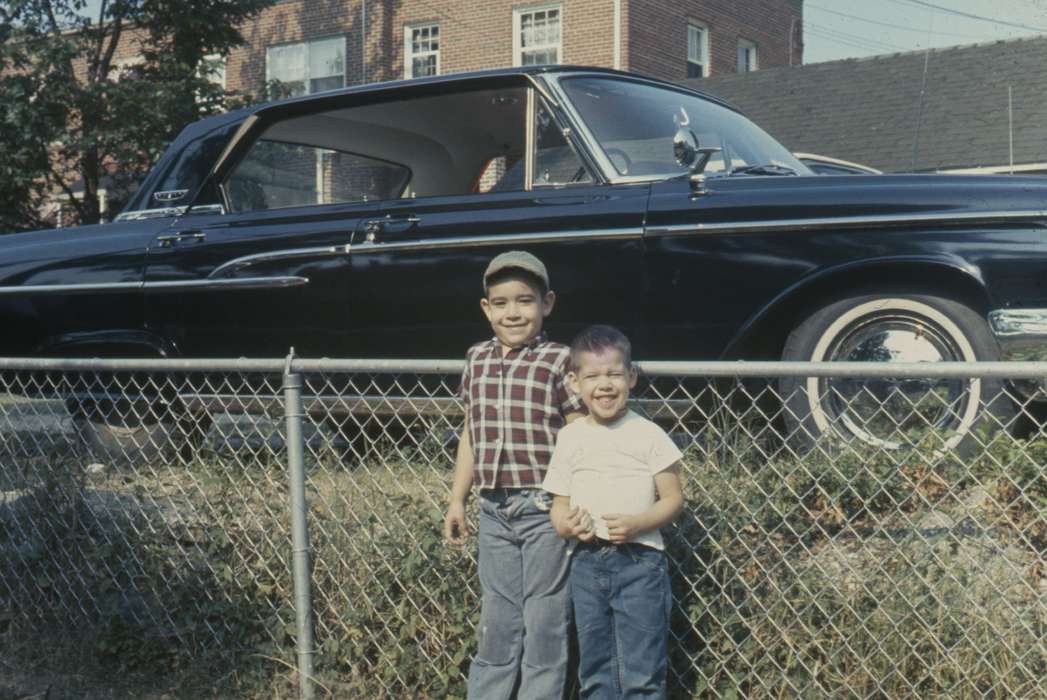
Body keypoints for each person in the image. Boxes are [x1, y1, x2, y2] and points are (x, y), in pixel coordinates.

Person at [443, 250, 585, 699]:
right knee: (498, 623)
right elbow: (471, 431)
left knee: (545, 623)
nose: (513, 313)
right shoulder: (476, 358)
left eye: (525, 301)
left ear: (547, 304)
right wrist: (456, 499)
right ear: (486, 308)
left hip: (545, 508)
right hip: (493, 508)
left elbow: (580, 435)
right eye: (501, 303)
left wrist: (570, 500)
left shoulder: (561, 360)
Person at [543, 324, 685, 700]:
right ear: (574, 382)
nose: (604, 385)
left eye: (613, 374)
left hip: (640, 564)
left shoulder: (649, 434)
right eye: (592, 376)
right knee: (596, 669)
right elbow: (558, 504)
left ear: (631, 377)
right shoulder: (570, 437)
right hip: (586, 563)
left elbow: (673, 500)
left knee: (641, 671)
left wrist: (639, 524)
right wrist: (565, 523)